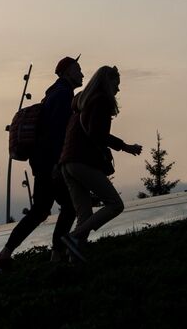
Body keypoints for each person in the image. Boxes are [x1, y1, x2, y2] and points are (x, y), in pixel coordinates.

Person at [0, 56, 83, 271]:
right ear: (68, 72)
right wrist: (58, 163)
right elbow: (57, 133)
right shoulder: (62, 95)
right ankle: (57, 255)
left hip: (42, 162)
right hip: (51, 163)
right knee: (69, 206)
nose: (82, 74)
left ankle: (4, 256)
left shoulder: (54, 93)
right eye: (78, 69)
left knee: (40, 211)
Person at [59, 65, 142, 262]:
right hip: (82, 161)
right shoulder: (101, 100)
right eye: (116, 84)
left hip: (67, 164)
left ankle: (74, 259)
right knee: (115, 204)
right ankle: (73, 237)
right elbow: (97, 134)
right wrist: (124, 146)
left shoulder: (81, 103)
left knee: (84, 214)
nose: (118, 89)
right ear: (107, 82)